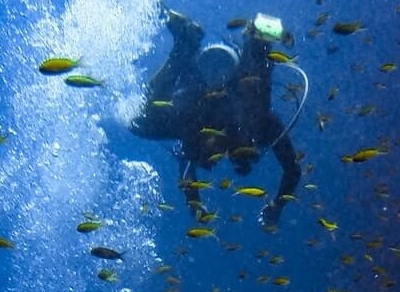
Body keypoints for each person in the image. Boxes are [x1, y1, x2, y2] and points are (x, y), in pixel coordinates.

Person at [130, 8, 306, 229]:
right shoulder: (262, 126)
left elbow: (187, 166)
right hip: (216, 84)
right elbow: (292, 169)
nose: (215, 152)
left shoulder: (202, 130)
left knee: (140, 123)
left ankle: (185, 48)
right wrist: (277, 206)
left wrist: (194, 203)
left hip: (204, 86)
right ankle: (249, 43)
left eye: (210, 155)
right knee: (141, 123)